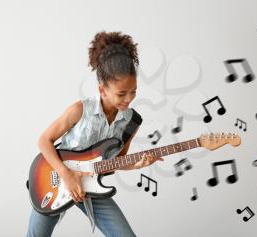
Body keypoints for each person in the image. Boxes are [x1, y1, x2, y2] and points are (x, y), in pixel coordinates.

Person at [26, 30, 164, 237]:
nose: (129, 99)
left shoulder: (131, 121)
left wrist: (138, 164)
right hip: (55, 179)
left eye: (133, 91)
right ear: (102, 89)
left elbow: (119, 160)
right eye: (121, 93)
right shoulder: (80, 110)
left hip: (92, 186)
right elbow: (44, 140)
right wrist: (66, 174)